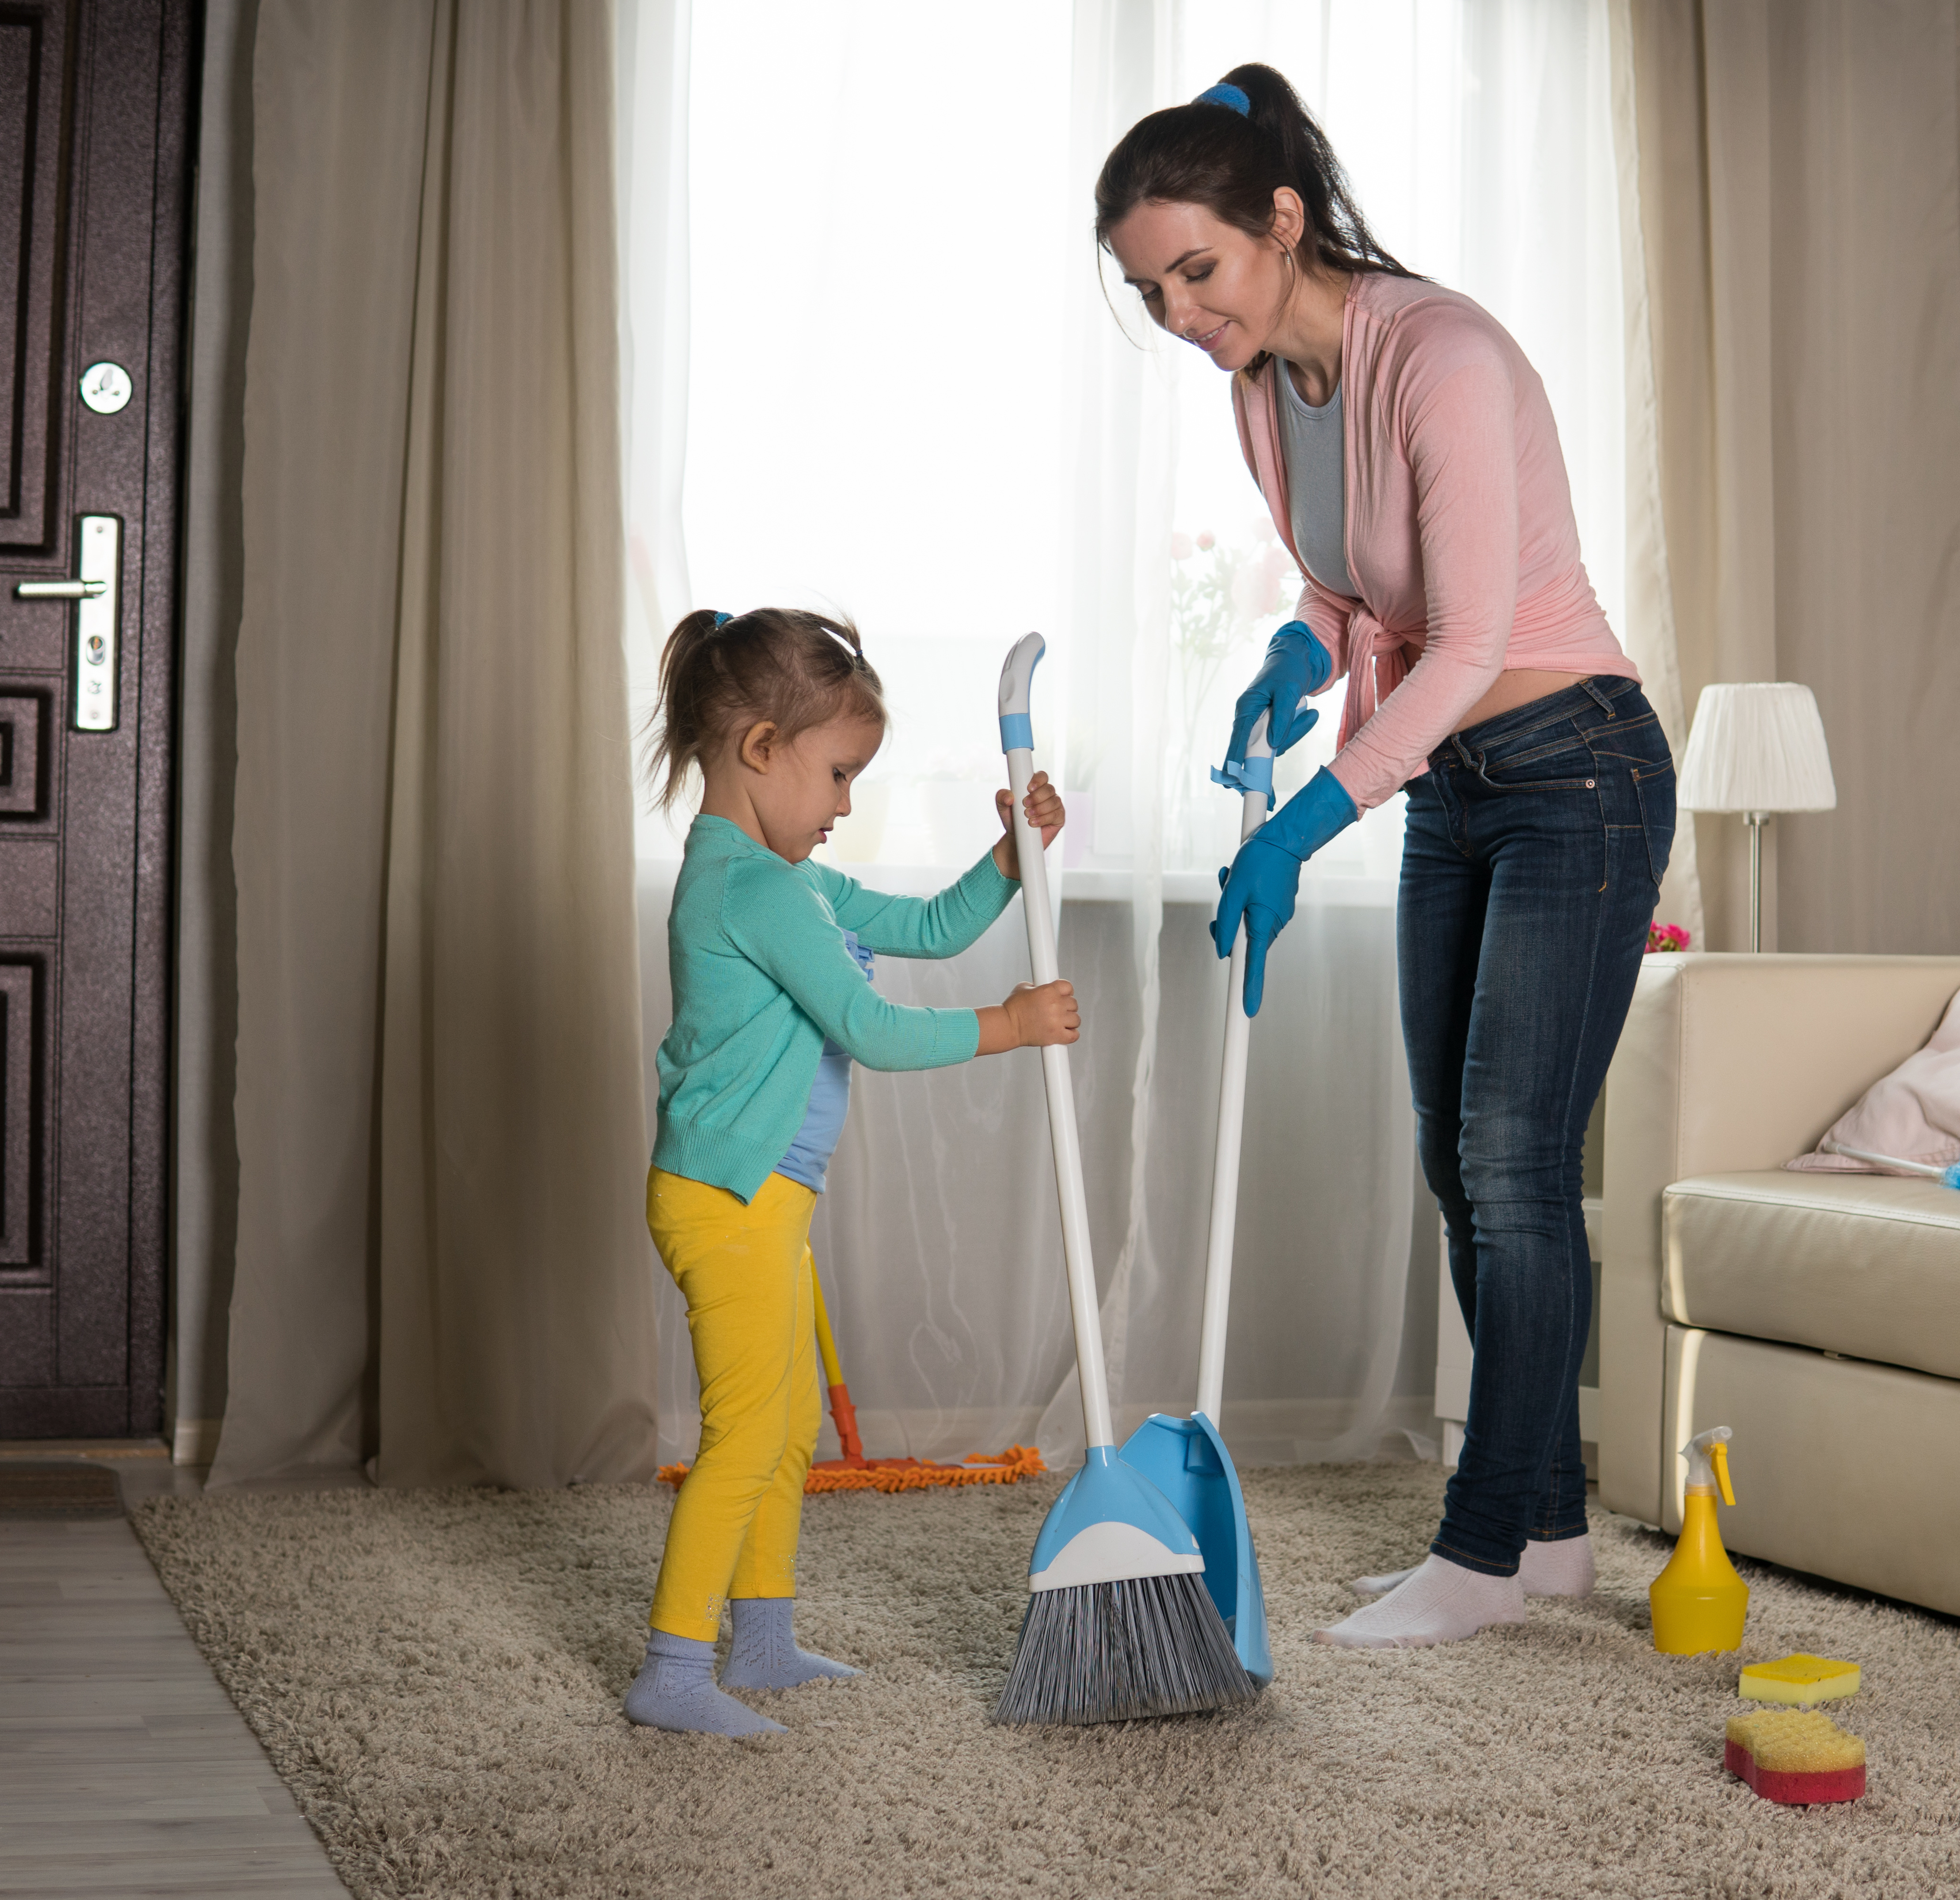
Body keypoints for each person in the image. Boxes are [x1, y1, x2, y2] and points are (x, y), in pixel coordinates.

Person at [1097, 66, 1677, 1649]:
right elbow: (1360, 583)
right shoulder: (1261, 388)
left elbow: (1475, 636)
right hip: (1457, 786)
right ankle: (1546, 1537)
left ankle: (1479, 1550)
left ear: (1283, 221)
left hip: (1577, 772)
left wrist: (1307, 818)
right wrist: (1300, 650)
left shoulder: (1447, 357)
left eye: (1199, 272)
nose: (1182, 315)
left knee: (1514, 1163)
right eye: (1152, 292)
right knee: (1457, 1163)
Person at [623, 607, 1075, 1734]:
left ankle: (764, 1640)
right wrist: (1009, 1026)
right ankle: (672, 1671)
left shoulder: (788, 882)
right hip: (729, 1204)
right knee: (745, 1433)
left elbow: (927, 926)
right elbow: (871, 1028)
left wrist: (1009, 862)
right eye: (838, 775)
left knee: (785, 1430)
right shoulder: (756, 892)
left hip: (767, 1202)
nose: (844, 806)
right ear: (760, 748)